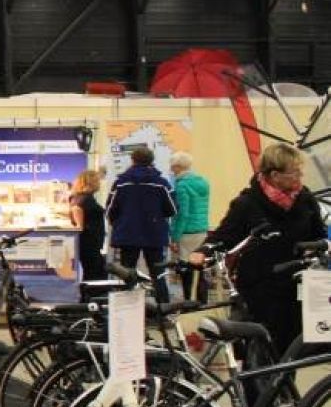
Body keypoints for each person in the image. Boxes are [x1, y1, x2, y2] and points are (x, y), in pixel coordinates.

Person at [189, 143, 322, 358]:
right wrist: (202, 251)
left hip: (294, 286)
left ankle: (284, 390)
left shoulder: (305, 199)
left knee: (289, 353)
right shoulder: (248, 203)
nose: (301, 175)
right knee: (258, 353)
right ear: (275, 175)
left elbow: (319, 233)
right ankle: (256, 391)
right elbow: (225, 235)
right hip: (259, 289)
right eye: (295, 171)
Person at [106, 146, 176, 304]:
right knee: (157, 272)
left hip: (127, 233)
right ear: (152, 161)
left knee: (127, 272)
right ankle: (163, 309)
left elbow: (110, 209)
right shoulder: (162, 183)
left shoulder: (121, 183)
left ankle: (127, 309)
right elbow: (172, 209)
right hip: (154, 233)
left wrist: (119, 222)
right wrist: (156, 218)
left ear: (133, 160)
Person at [170, 152, 211, 301]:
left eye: (173, 167)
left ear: (179, 167)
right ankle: (202, 301)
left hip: (186, 233)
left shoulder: (182, 185)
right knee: (199, 269)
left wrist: (175, 237)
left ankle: (190, 302)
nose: (171, 170)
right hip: (201, 230)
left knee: (186, 271)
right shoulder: (203, 182)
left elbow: (183, 214)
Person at [69, 169, 107, 282]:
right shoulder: (84, 199)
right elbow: (79, 222)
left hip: (90, 241)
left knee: (94, 270)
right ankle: (91, 295)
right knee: (94, 271)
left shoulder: (80, 198)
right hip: (89, 242)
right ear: (91, 182)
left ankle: (91, 294)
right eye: (97, 180)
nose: (99, 183)